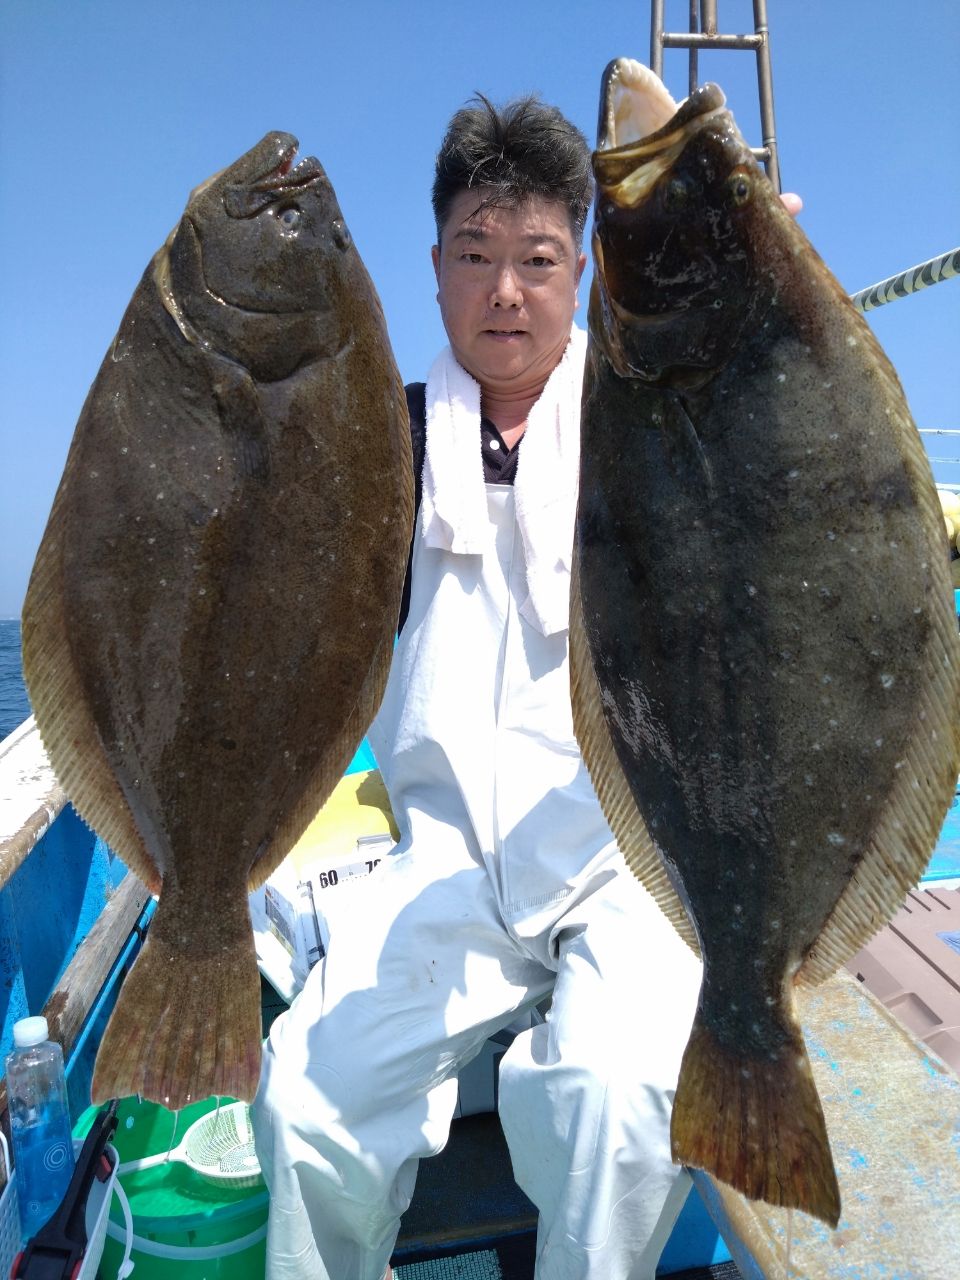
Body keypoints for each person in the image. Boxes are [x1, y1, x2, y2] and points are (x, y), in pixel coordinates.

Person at [252, 93, 798, 1280]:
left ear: (585, 269)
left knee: (620, 1095)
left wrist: (762, 301)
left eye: (539, 261)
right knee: (301, 1093)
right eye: (476, 256)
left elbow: (771, 460)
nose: (507, 292)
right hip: (439, 864)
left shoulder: (656, 413)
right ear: (435, 268)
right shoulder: (376, 444)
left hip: (627, 859)